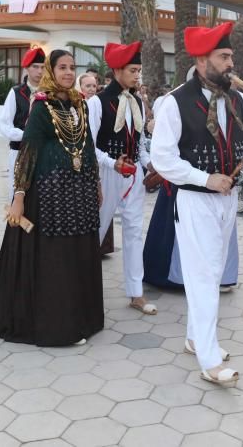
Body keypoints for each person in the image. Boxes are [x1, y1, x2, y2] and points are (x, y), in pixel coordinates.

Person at [151, 22, 243, 385]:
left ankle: (196, 338)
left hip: (225, 203)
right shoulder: (174, 102)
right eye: (224, 57)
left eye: (231, 57)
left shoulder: (236, 99)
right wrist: (204, 178)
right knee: (204, 279)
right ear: (201, 59)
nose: (231, 64)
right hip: (195, 201)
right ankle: (210, 360)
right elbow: (162, 158)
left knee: (211, 273)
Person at [0, 49, 104, 346]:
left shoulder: (80, 104)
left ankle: (80, 316)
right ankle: (57, 322)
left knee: (77, 252)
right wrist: (19, 196)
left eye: (72, 67)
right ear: (52, 71)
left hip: (79, 191)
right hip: (49, 193)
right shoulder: (41, 106)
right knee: (56, 256)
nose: (67, 72)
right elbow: (28, 150)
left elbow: (87, 145)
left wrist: (97, 181)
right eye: (61, 67)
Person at [142, 68, 240, 292]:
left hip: (219, 184)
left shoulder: (233, 102)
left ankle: (220, 276)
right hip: (185, 180)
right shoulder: (174, 102)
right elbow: (160, 140)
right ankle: (176, 276)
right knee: (178, 229)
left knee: (219, 236)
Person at [88, 42, 155, 316]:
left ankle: (136, 292)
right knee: (97, 230)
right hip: (107, 173)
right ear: (117, 70)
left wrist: (150, 166)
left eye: (139, 70)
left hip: (133, 174)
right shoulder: (97, 102)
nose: (137, 75)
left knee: (134, 232)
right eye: (132, 70)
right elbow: (89, 145)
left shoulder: (137, 101)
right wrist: (110, 163)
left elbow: (139, 144)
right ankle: (83, 287)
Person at [0, 47, 45, 189]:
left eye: (43, 67)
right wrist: (25, 135)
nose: (39, 71)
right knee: (17, 192)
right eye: (35, 67)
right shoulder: (16, 92)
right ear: (27, 68)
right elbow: (4, 125)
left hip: (44, 152)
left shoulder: (50, 93)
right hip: (19, 151)